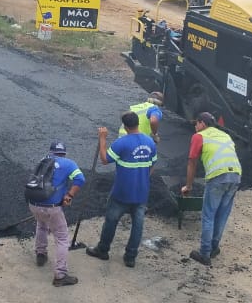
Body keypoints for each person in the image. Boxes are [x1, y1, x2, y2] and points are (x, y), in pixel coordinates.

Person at [86, 112, 157, 268]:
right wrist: (143, 177)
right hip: (141, 193)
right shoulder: (150, 142)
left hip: (122, 193)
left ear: (125, 126)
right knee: (138, 225)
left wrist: (102, 138)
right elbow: (152, 165)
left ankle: (103, 250)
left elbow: (105, 159)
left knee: (111, 220)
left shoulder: (122, 143)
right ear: (138, 123)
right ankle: (130, 257)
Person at [182, 112, 242, 266]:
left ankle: (204, 253)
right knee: (222, 214)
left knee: (209, 215)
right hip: (235, 176)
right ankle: (214, 248)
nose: (195, 127)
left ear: (202, 123)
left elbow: (192, 162)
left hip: (218, 177)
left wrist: (188, 186)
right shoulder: (225, 135)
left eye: (196, 124)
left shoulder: (199, 136)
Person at [28, 141, 85, 287]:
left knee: (41, 225)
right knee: (62, 237)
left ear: (51, 151)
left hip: (33, 203)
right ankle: (60, 275)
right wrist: (69, 195)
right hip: (51, 207)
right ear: (64, 153)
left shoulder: (43, 160)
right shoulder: (69, 163)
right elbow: (80, 179)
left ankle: (41, 254)